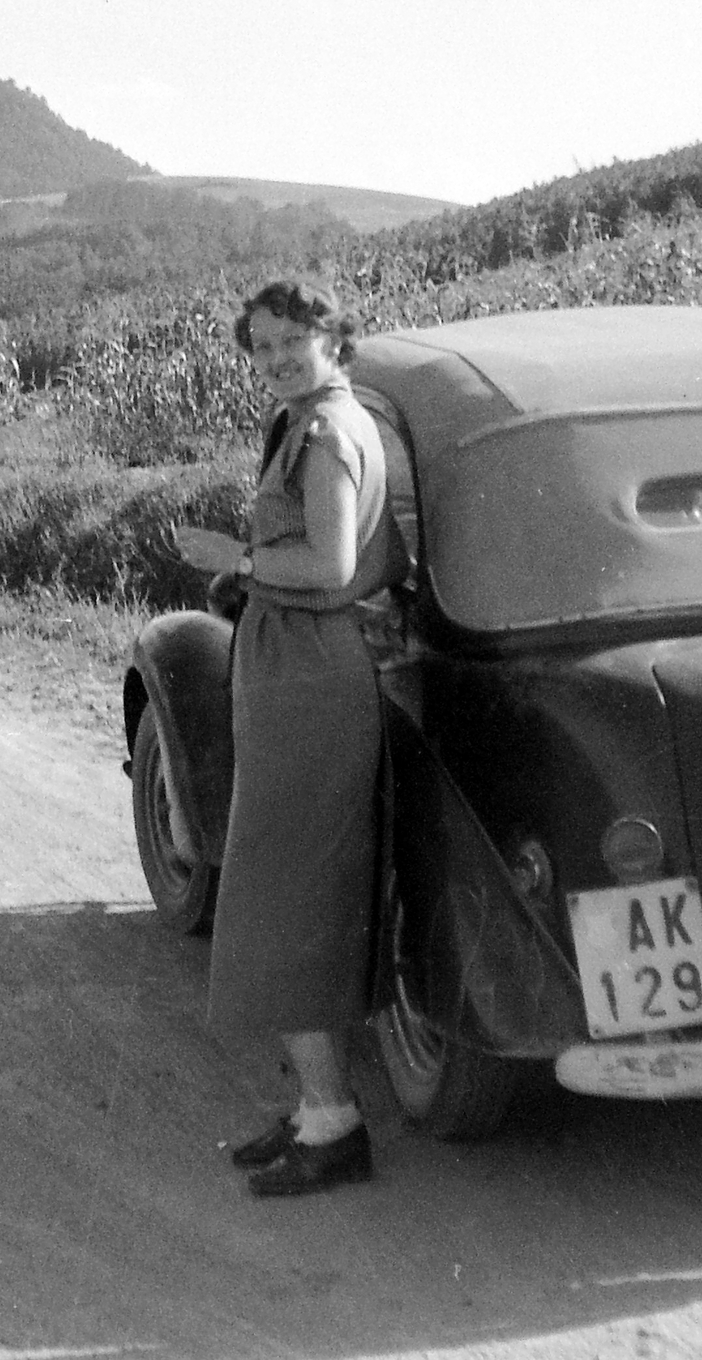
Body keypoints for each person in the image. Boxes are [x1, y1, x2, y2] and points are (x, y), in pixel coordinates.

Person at [208, 279, 408, 1198]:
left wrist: (237, 562)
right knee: (289, 887)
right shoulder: (317, 420)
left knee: (288, 896)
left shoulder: (327, 432)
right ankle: (312, 1108)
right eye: (262, 344)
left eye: (295, 338)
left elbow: (327, 565)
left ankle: (333, 1122)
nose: (279, 356)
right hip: (300, 671)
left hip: (310, 678)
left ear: (334, 337)